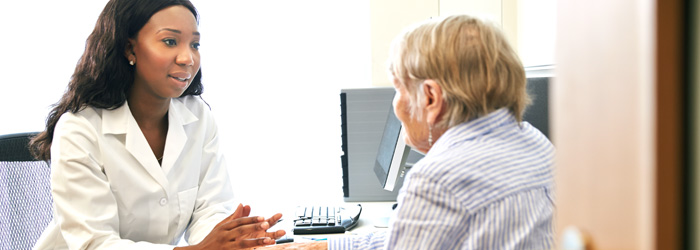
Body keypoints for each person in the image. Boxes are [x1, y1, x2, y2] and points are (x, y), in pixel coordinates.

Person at [263, 14, 555, 250]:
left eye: (398, 88)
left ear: (430, 97)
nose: (396, 104)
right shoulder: (537, 144)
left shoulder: (439, 180)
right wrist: (324, 247)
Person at [29, 0, 285, 249]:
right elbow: (96, 244)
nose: (188, 58)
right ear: (130, 49)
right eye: (170, 41)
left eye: (195, 44)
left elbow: (211, 208)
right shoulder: (79, 129)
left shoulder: (198, 117)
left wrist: (230, 238)